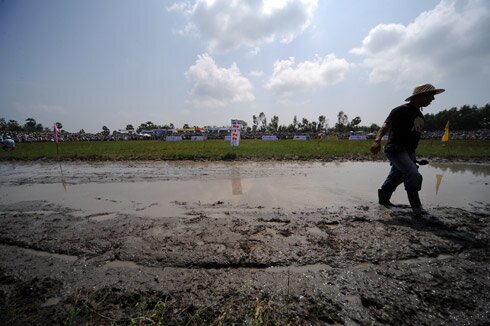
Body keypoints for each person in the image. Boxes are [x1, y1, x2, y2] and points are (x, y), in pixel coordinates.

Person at [370, 84, 445, 217]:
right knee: (413, 174)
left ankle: (383, 201)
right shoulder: (400, 110)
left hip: (408, 152)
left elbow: (413, 139)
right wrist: (377, 140)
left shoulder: (420, 116)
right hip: (395, 149)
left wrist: (413, 157)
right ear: (420, 96)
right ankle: (416, 206)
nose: (432, 99)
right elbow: (386, 125)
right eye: (430, 96)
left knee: (396, 177)